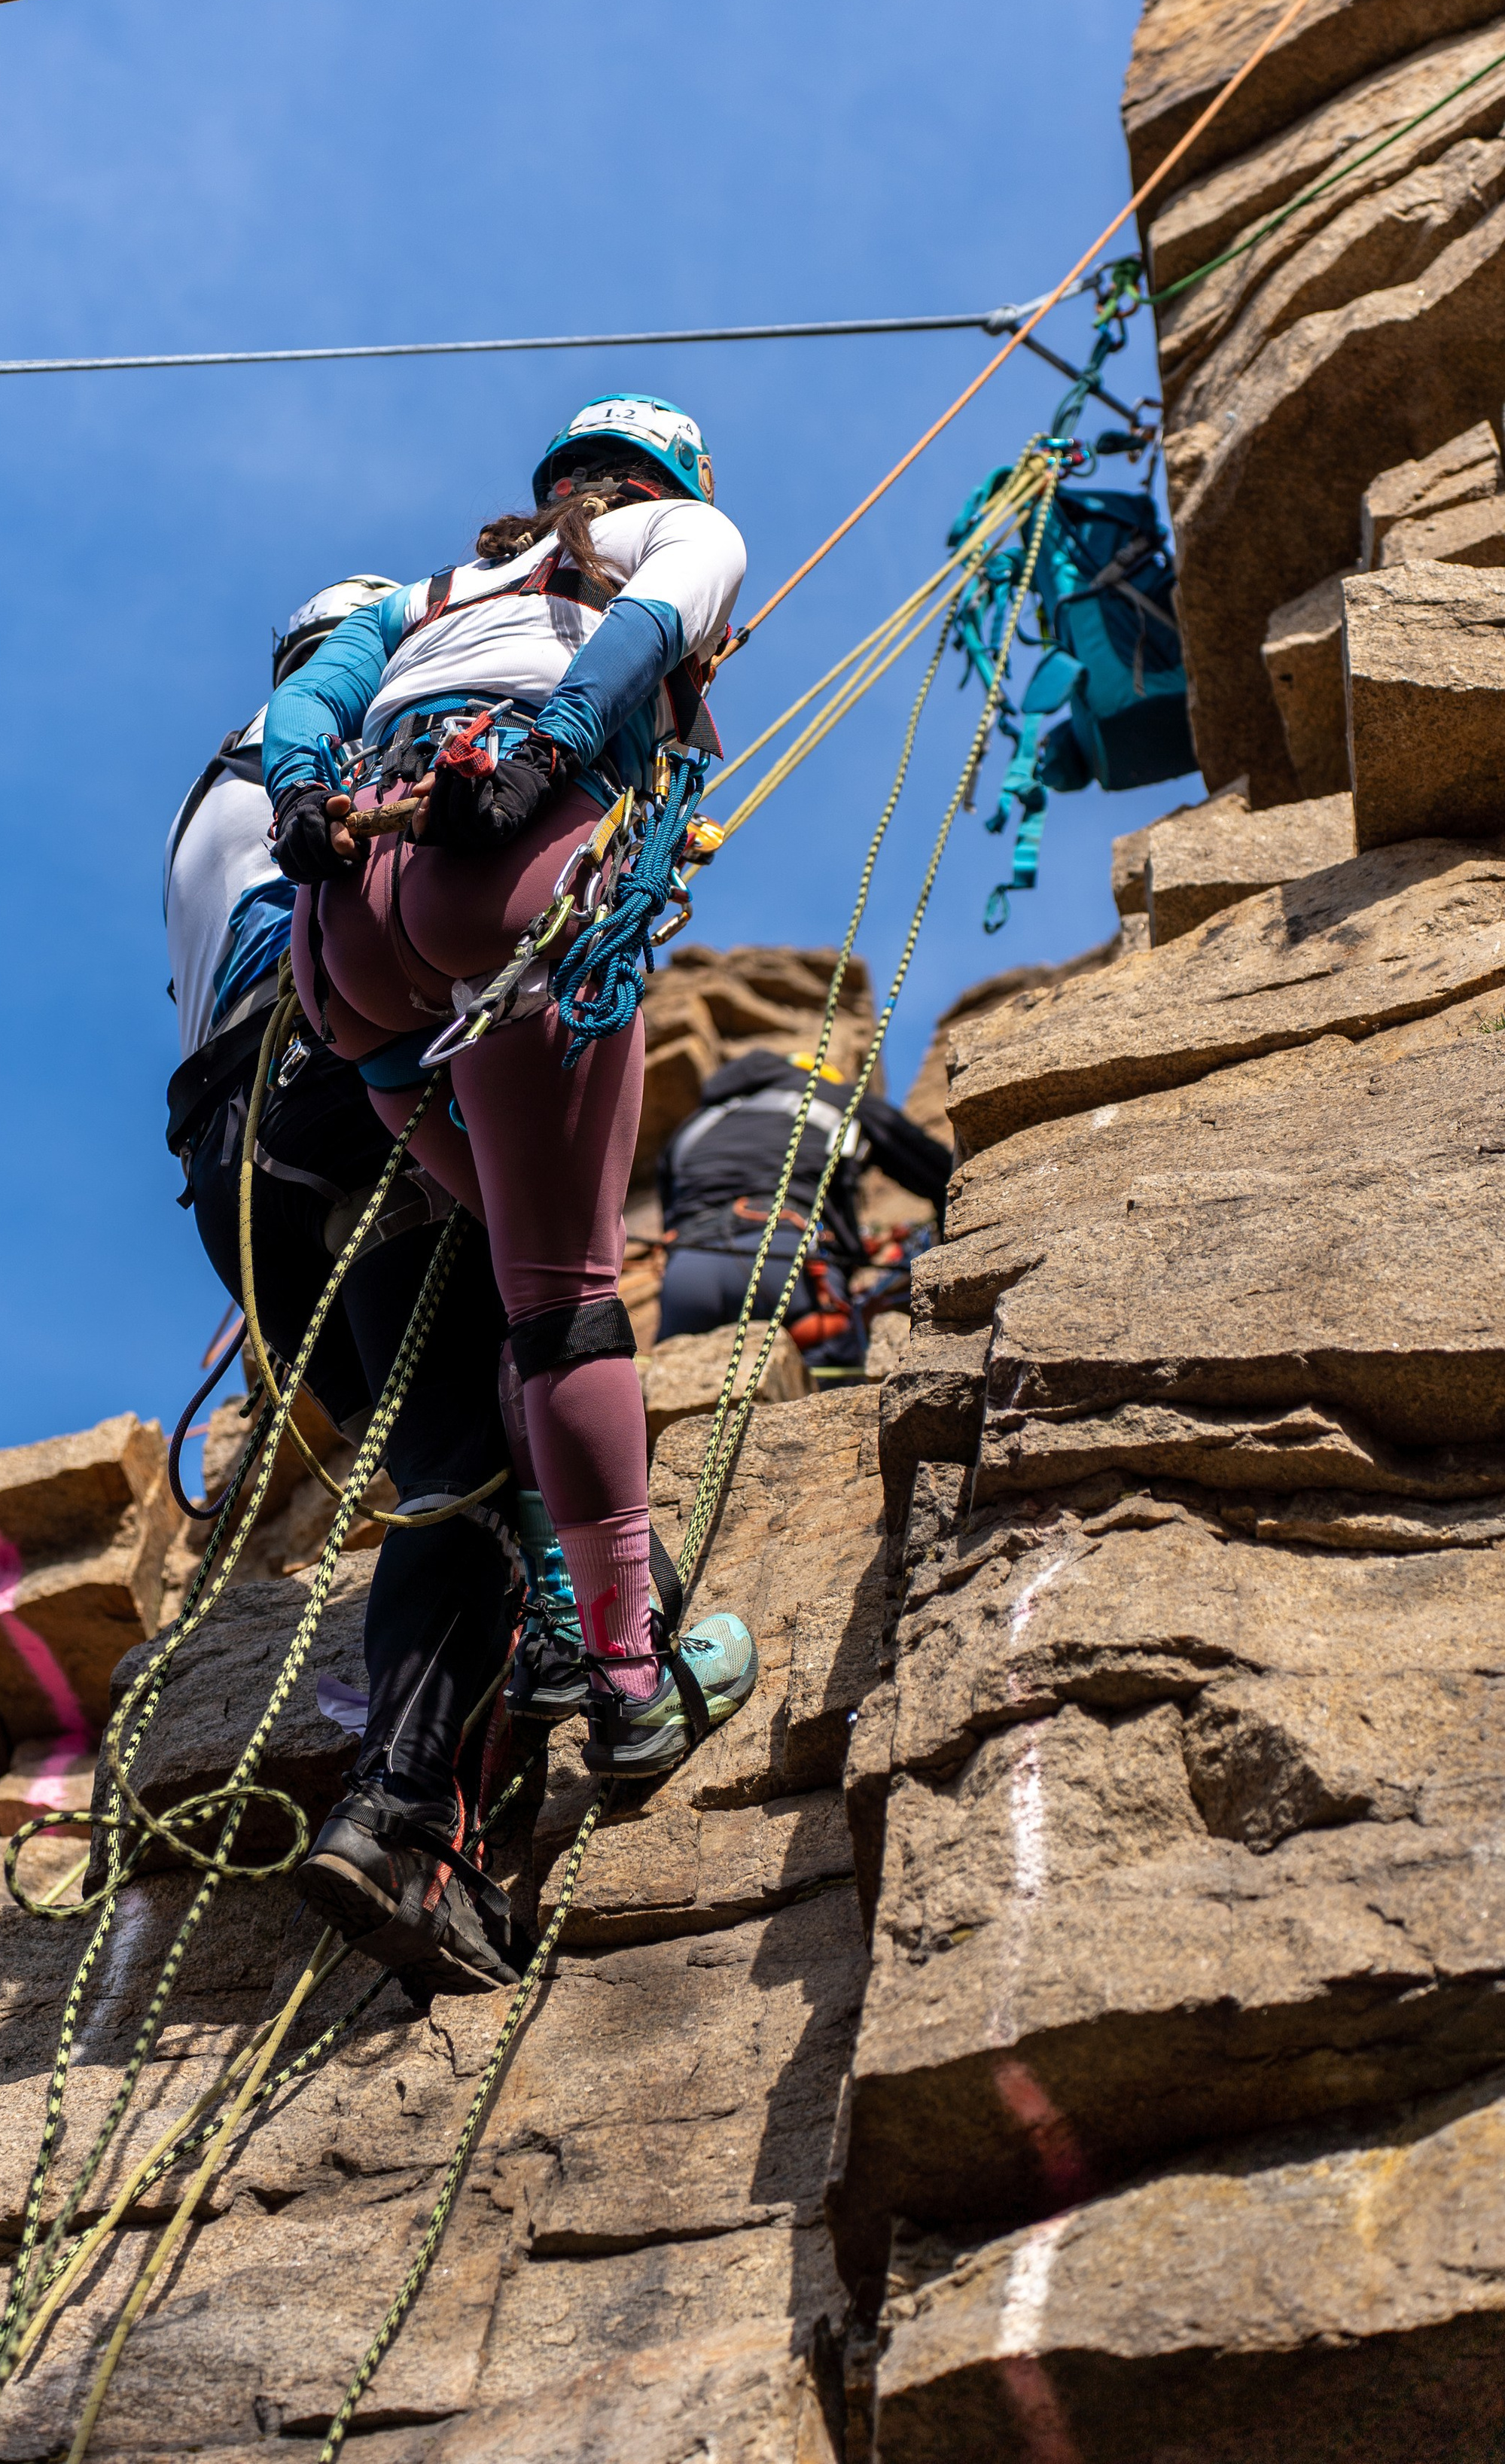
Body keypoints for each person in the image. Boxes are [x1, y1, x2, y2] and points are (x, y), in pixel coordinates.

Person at [261, 394, 760, 1781]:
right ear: (670, 476)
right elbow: (653, 633)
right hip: (506, 858)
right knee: (565, 1303)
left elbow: (303, 706)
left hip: (347, 943)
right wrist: (551, 755)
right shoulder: (682, 527)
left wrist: (305, 795)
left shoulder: (426, 592)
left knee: (507, 1256)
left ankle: (559, 1574)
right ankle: (625, 1676)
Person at [166, 580, 527, 1996]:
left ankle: (457, 1737)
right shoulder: (362, 715)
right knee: (481, 1447)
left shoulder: (213, 786)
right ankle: (407, 1814)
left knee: (453, 1449)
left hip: (228, 1158)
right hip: (331, 1075)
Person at [654, 1050, 954, 1360]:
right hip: (780, 1253)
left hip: (687, 1271)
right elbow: (941, 1173)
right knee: (827, 1373)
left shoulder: (695, 1125)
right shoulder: (838, 1096)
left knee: (674, 1384)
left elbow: (671, 1210)